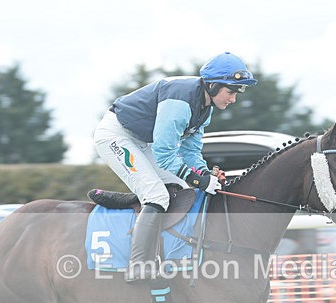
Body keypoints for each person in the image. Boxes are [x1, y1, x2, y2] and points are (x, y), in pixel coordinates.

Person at [94, 52, 258, 282]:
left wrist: (203, 173)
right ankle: (138, 264)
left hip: (141, 141)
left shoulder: (205, 108)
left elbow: (190, 152)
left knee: (183, 187)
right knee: (157, 195)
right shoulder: (180, 102)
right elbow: (164, 153)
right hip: (115, 136)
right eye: (231, 92)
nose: (233, 99)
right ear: (212, 85)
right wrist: (197, 179)